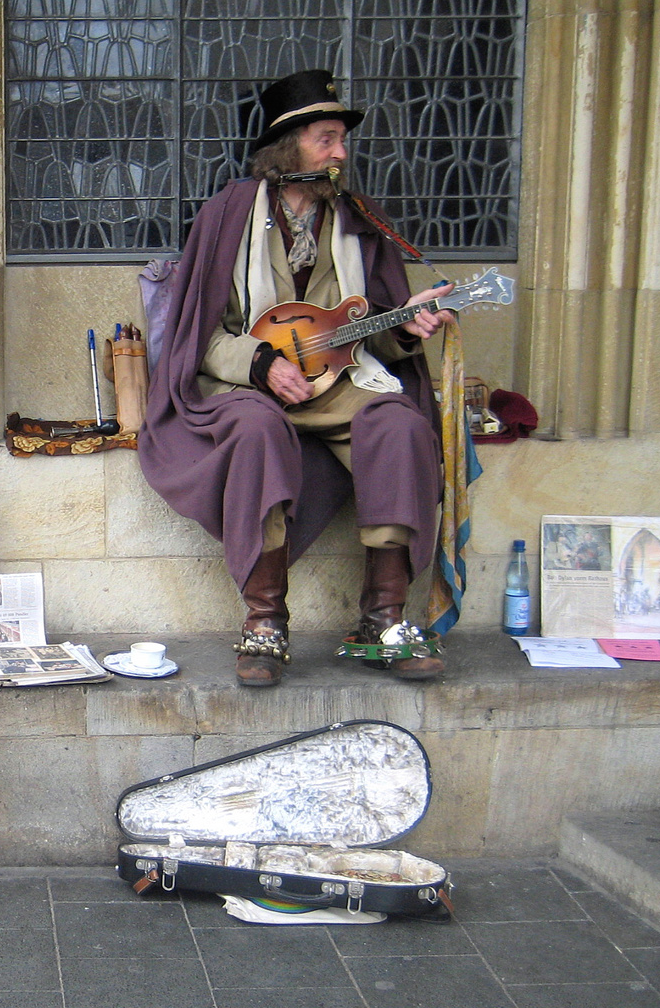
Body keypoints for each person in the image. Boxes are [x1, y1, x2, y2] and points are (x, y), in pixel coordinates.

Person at [138, 69, 455, 687]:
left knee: (401, 428)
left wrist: (408, 328)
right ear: (289, 147)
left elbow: (372, 329)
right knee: (254, 430)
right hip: (246, 386)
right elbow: (197, 334)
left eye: (341, 141)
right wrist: (261, 362)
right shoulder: (228, 214)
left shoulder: (359, 221)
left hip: (340, 384)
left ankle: (381, 624)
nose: (340, 153)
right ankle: (265, 623)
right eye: (327, 139)